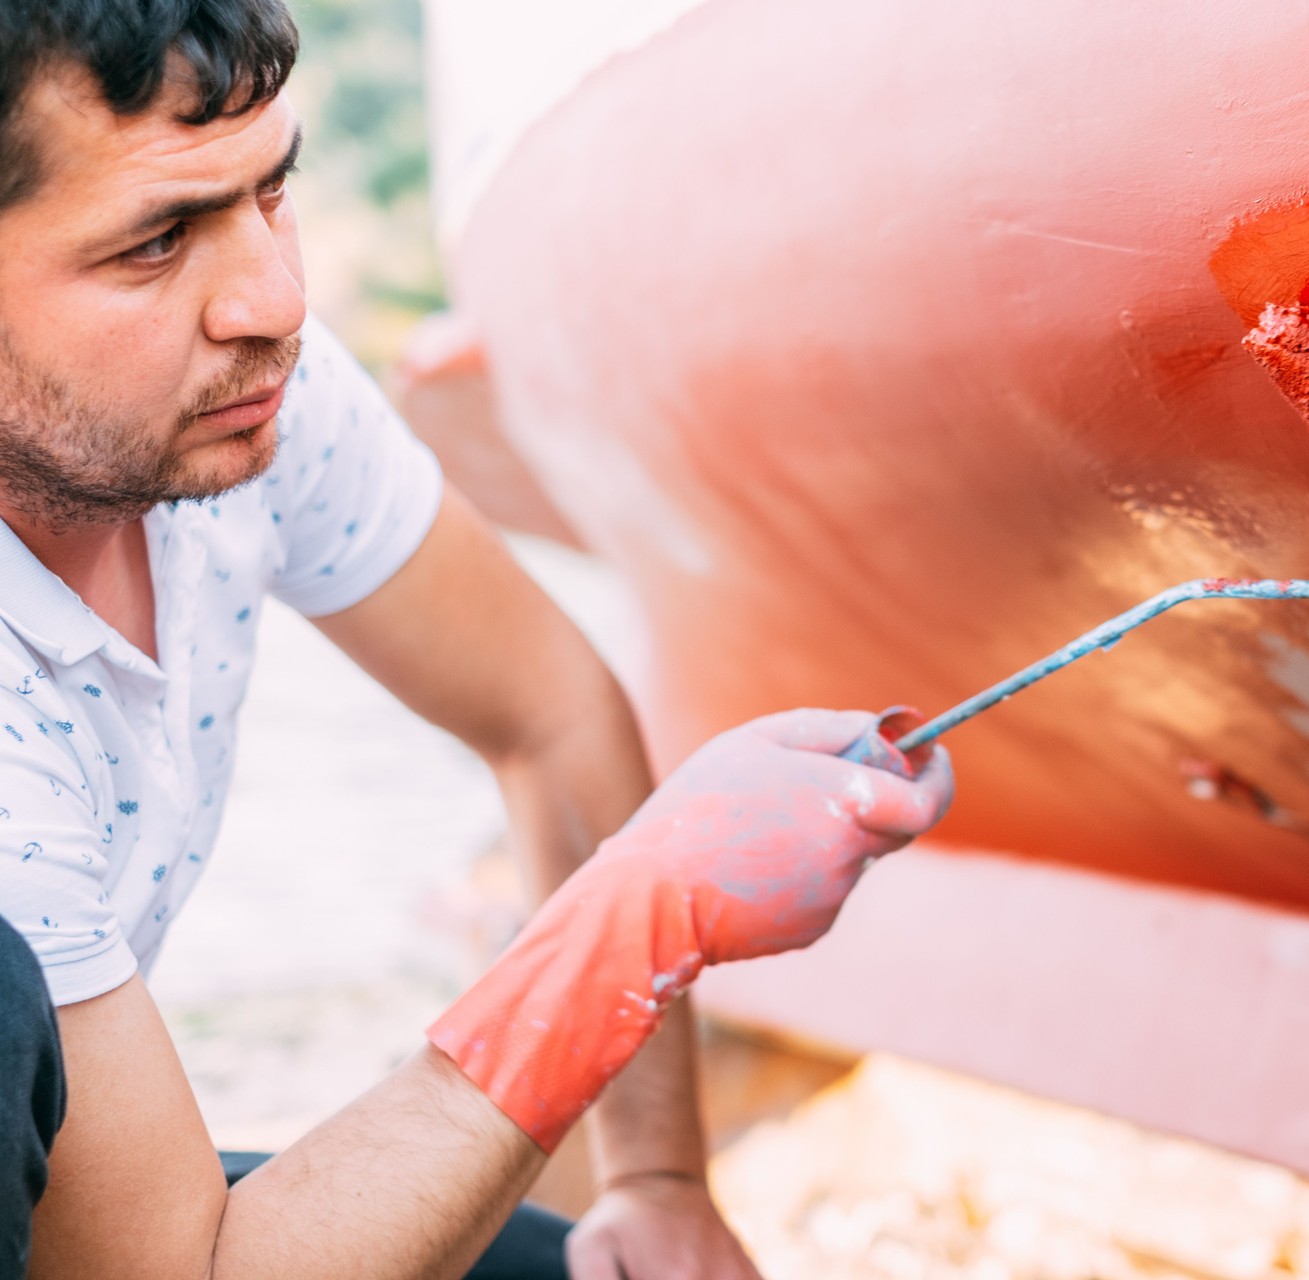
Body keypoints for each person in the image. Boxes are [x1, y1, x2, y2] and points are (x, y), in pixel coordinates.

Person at [0, 3, 957, 1277]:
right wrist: (647, 905)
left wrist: (659, 1181)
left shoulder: (228, 399)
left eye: (271, 192)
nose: (276, 300)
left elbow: (549, 709)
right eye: (158, 240)